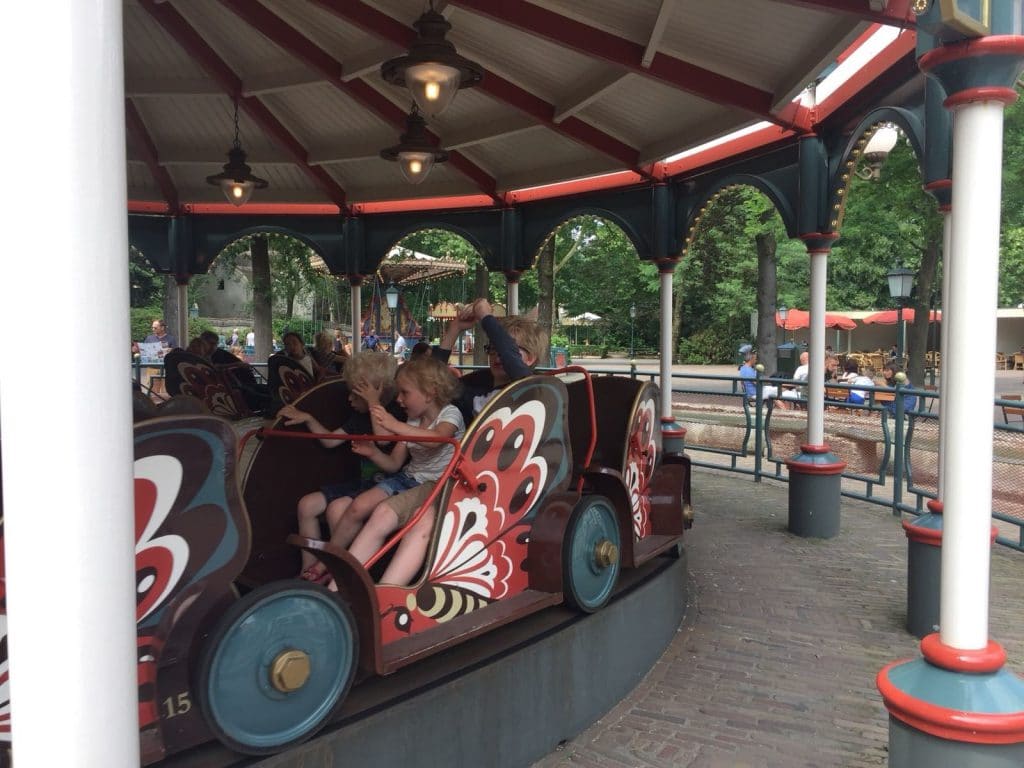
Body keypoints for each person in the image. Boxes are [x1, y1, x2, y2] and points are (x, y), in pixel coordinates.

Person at [328, 355, 464, 586]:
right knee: (359, 504)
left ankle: (346, 585)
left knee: (382, 512)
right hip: (407, 477)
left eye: (405, 393)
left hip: (435, 483)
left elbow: (436, 439)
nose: (399, 399)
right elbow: (393, 463)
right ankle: (334, 571)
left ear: (430, 394)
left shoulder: (450, 414)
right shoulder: (412, 422)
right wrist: (372, 453)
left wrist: (393, 424)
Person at [280, 352, 399, 580]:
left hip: (385, 487)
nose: (349, 401)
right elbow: (330, 440)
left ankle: (342, 575)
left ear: (375, 393)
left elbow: (383, 438)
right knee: (306, 505)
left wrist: (374, 402)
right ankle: (310, 569)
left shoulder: (395, 414)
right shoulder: (357, 419)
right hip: (363, 485)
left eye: (355, 395)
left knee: (338, 510)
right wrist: (308, 418)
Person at [433, 298, 545, 422]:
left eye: (503, 348)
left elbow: (511, 359)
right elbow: (429, 382)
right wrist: (455, 328)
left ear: (530, 358)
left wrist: (486, 317)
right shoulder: (474, 386)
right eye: (493, 348)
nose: (498, 355)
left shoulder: (534, 388)